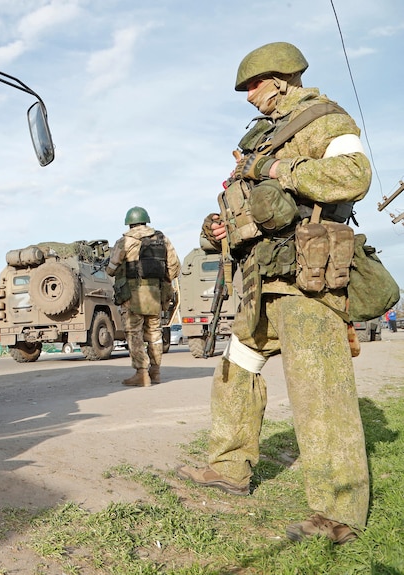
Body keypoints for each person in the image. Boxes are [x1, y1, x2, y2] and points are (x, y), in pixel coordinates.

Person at [176, 42, 371, 545]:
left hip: (306, 283)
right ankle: (229, 467)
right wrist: (216, 228)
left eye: (252, 85)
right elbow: (247, 206)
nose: (246, 96)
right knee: (236, 371)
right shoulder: (258, 140)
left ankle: (337, 515)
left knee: (319, 393)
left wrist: (283, 171)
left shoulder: (323, 119)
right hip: (261, 283)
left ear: (281, 77)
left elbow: (356, 175)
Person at [106, 207, 180, 386]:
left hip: (132, 296)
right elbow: (175, 268)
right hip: (155, 295)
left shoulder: (125, 241)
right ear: (146, 221)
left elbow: (111, 269)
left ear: (129, 223)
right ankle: (155, 371)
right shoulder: (163, 239)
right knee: (155, 333)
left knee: (134, 333)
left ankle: (141, 373)